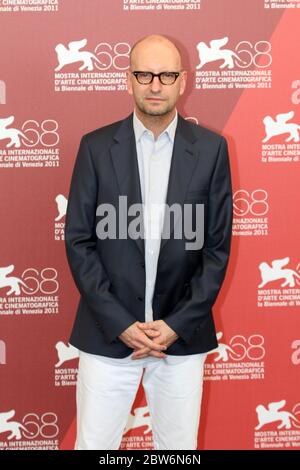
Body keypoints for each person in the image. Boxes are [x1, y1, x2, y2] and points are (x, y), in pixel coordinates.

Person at [65, 34, 233, 450]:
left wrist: (176, 325)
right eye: (144, 73)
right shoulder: (96, 148)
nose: (155, 85)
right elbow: (79, 241)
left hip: (181, 336)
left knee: (178, 450)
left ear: (183, 81)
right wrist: (120, 323)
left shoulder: (212, 150)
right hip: (107, 335)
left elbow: (216, 250)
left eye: (166, 74)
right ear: (129, 80)